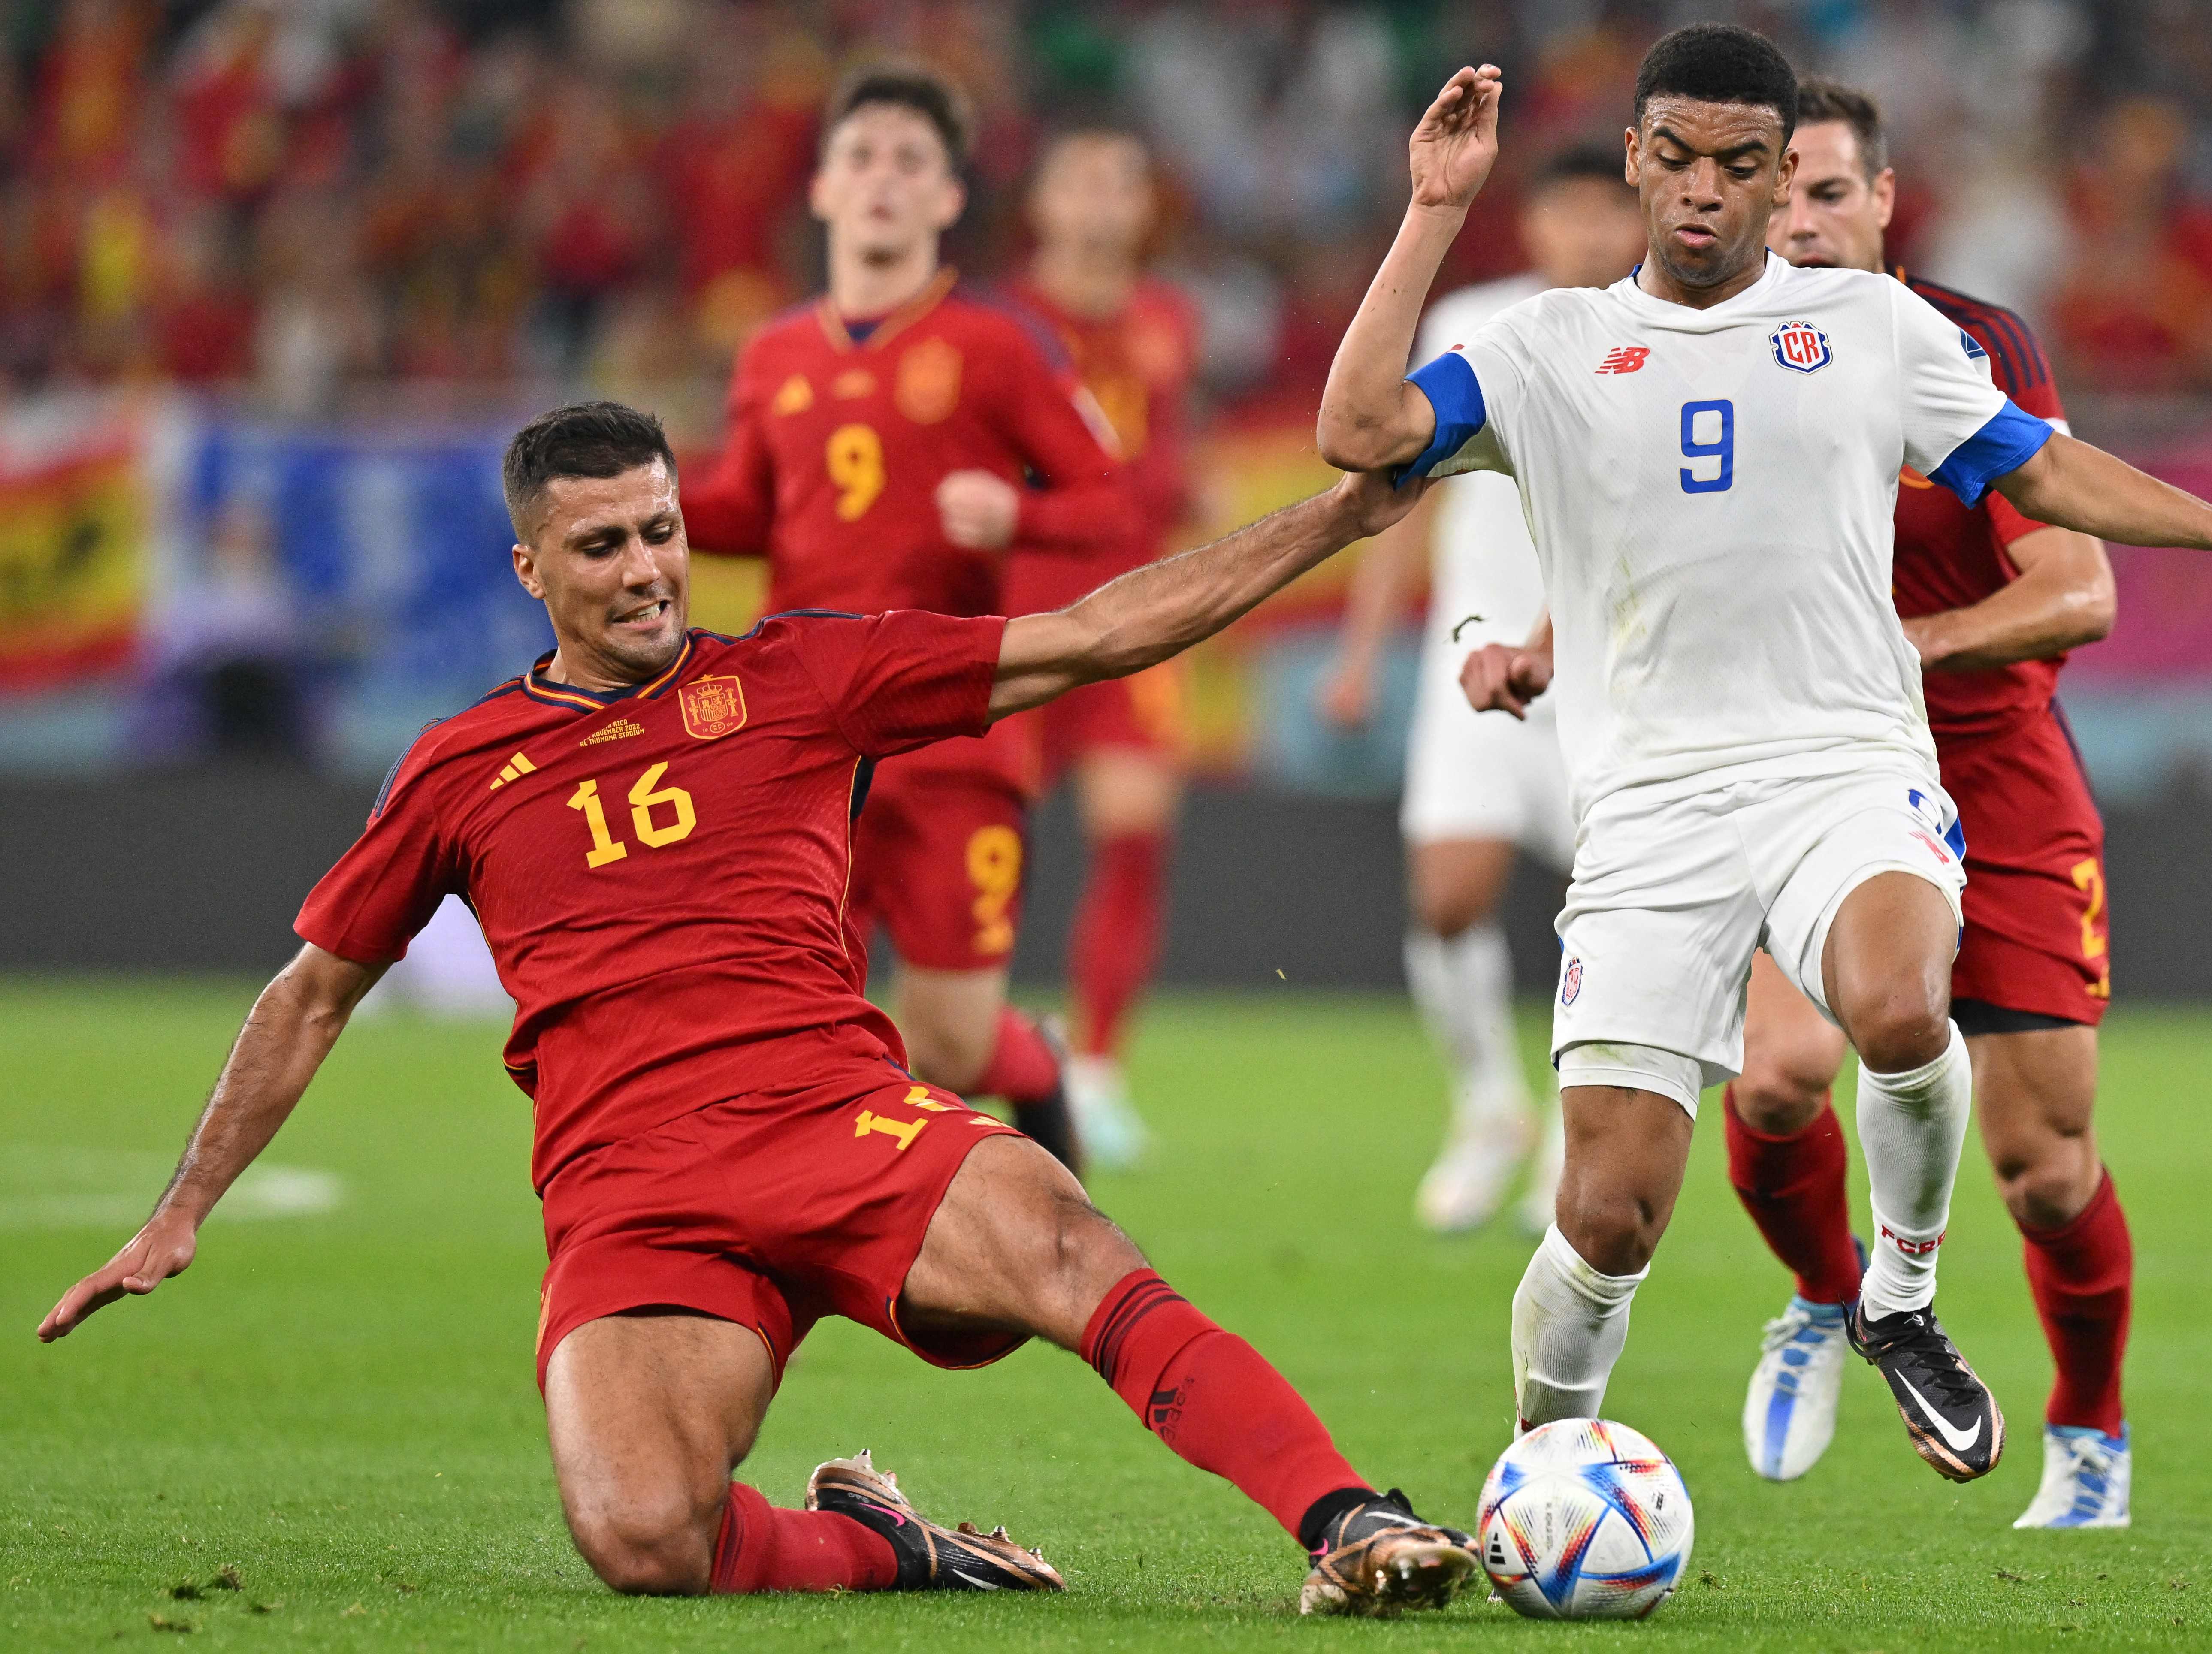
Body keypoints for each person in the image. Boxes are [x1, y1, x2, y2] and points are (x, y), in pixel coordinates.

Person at [37, 401, 1480, 1618]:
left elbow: (1094, 633)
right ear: (530, 565)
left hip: (832, 1118)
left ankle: (1344, 1517)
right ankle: (887, 1541)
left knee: (1062, 1236)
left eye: (661, 529)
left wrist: (1335, 519)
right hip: (632, 1189)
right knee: (644, 1536)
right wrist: (183, 1205)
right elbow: (312, 992)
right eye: (602, 546)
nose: (648, 569)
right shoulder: (458, 768)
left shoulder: (799, 674)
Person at [1317, 26, 2212, 1485]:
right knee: (1605, 1215)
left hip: (1845, 761)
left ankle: (1900, 1302)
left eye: (1746, 167)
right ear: (1633, 160)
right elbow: (1357, 429)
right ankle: (1540, 1471)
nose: (1708, 194)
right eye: (1676, 160)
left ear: (1780, 172)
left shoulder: (1873, 331)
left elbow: (2036, 464)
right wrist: (1432, 207)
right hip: (1651, 810)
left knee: (1897, 999)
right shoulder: (1545, 349)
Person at [1729, 78, 2135, 1527]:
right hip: (1812, 770)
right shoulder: (1709, 345)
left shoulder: (1967, 349)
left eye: (1824, 194)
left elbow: (2074, 588)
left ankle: (2088, 1426)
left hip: (1994, 766)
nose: (1796, 223)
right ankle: (1831, 1299)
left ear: (1885, 203)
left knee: (2042, 1168)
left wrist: (1896, 645)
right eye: (1772, 197)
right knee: (1776, 1074)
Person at [680, 67, 1134, 1172]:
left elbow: (1113, 501)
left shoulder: (997, 345)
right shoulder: (774, 353)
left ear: (947, 200)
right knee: (801, 1010)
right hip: (806, 738)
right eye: (864, 157)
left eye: (910, 161)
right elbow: (750, 507)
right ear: (825, 190)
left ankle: (1038, 1062)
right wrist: (643, 501)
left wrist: (1015, 514)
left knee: (951, 1037)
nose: (883, 178)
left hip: (950, 735)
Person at [1318, 143, 1642, 1234]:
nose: (1593, 233)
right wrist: (1364, 656)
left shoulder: (1669, 332)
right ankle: (1489, 1106)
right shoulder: (1478, 323)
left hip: (1615, 675)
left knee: (1611, 913)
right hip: (1478, 660)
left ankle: (1570, 1124)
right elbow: (1397, 494)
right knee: (1447, 896)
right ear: (1537, 223)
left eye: (1614, 211)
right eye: (1571, 210)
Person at [1003, 126, 1203, 1169]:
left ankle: (1100, 1069)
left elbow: (1168, 460)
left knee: (1134, 834)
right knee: (986, 840)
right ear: (1040, 203)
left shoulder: (1169, 320)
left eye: (1120, 181)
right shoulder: (996, 324)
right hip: (1015, 614)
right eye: (1079, 177)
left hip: (1132, 616)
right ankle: (969, 1039)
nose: (1099, 201)